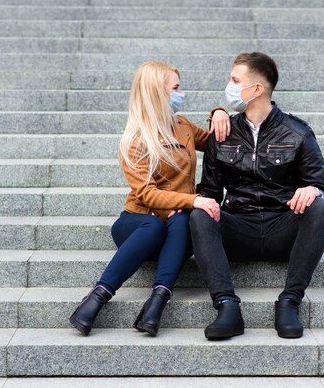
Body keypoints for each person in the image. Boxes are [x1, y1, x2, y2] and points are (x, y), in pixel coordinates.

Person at [69, 61, 229, 337]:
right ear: (158, 92)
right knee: (159, 224)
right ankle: (97, 297)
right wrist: (192, 200)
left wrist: (219, 112)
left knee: (181, 222)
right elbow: (146, 194)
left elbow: (217, 139)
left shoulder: (182, 126)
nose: (181, 94)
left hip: (174, 228)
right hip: (138, 223)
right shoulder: (136, 138)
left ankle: (157, 302)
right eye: (176, 88)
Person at [190, 52, 324, 340]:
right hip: (239, 229)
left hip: (283, 229)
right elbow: (208, 191)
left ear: (256, 89)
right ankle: (226, 306)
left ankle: (289, 302)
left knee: (319, 207)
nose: (229, 86)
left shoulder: (298, 133)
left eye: (235, 80)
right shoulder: (223, 133)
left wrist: (313, 189)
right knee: (200, 213)